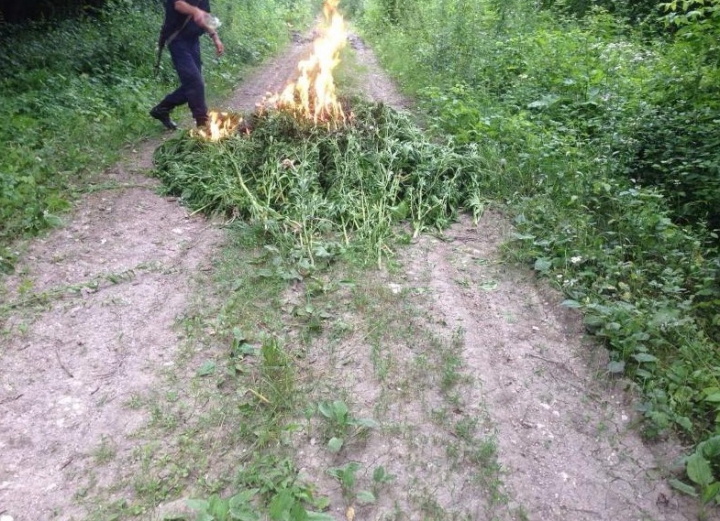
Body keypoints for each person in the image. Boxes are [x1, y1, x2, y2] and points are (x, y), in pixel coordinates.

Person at [150, 0, 224, 130]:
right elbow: (178, 4)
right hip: (177, 40)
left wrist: (215, 38)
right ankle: (203, 124)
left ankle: (162, 109)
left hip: (193, 41)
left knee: (194, 85)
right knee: (195, 83)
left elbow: (204, 18)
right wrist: (196, 11)